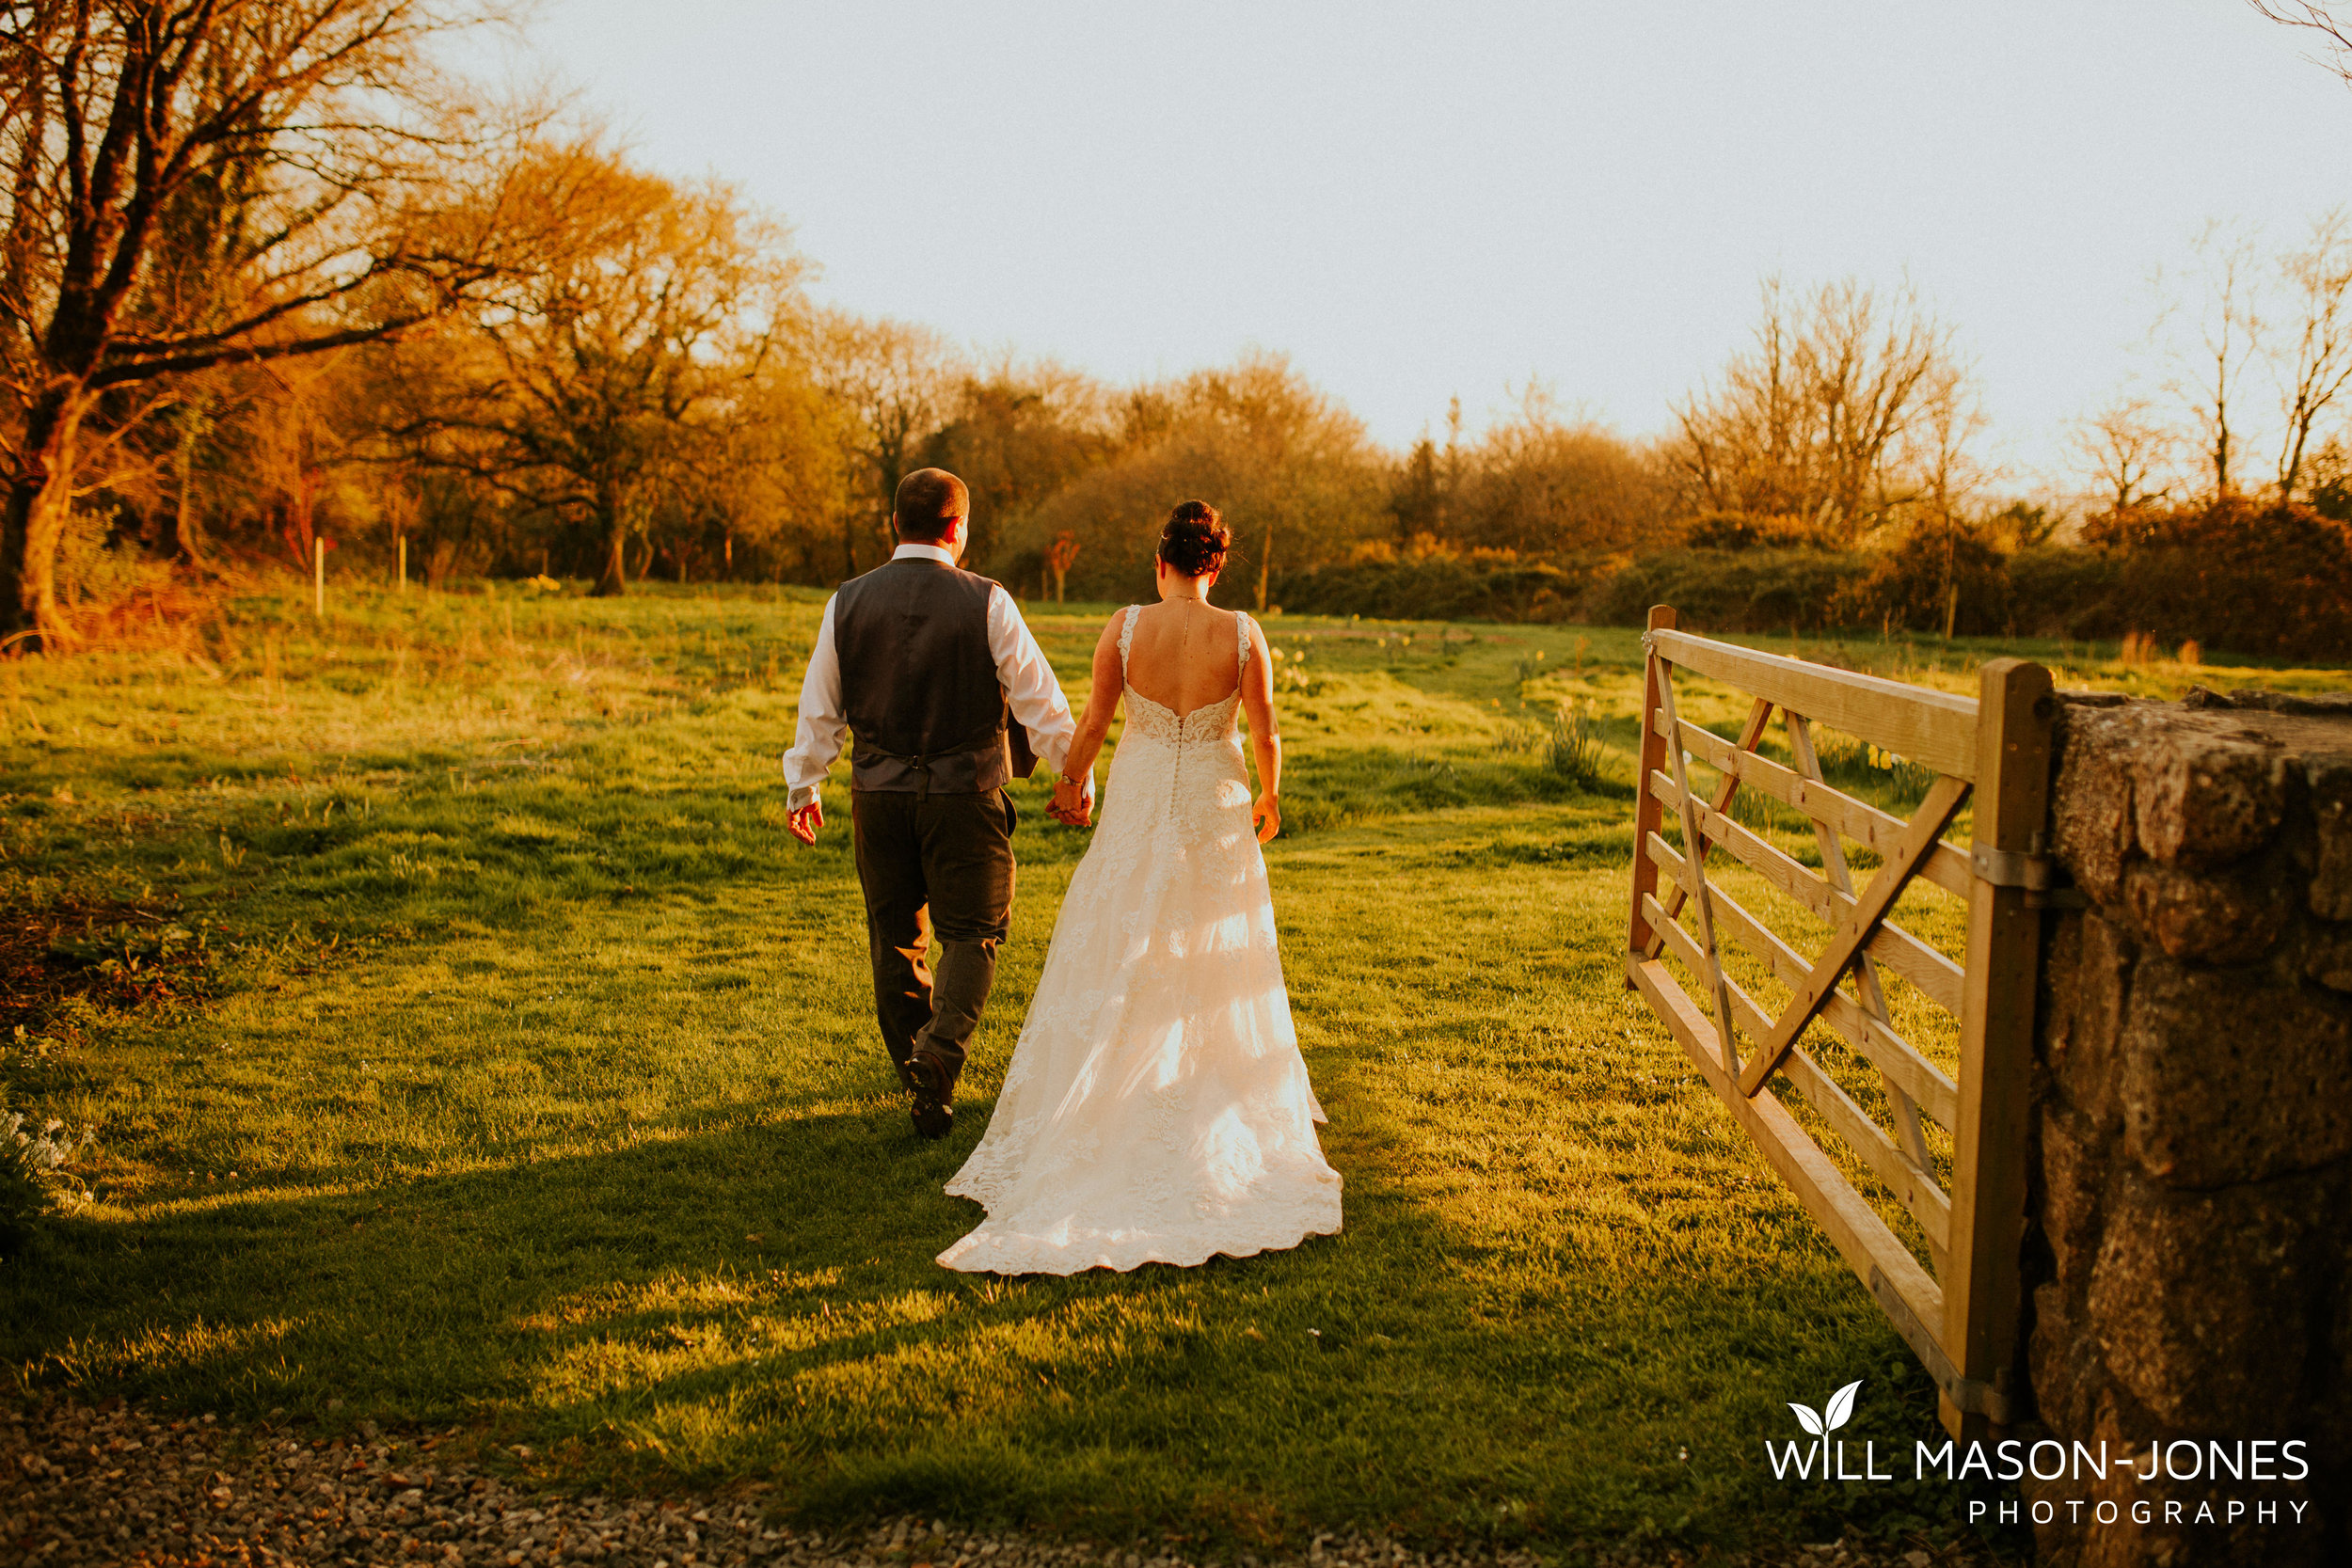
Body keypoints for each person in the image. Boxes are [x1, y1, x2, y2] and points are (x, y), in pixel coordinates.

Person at [937, 500, 1342, 1274]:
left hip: (1143, 792)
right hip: (1214, 802)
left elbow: (1092, 722)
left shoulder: (1125, 627)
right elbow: (1264, 730)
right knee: (1215, 941)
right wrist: (1271, 794)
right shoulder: (1244, 634)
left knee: (1121, 930)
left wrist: (1070, 784)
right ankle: (1201, 1090)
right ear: (1215, 566)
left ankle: (1110, 1093)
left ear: (1160, 561)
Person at [783, 468, 1091, 1140]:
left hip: (879, 796)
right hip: (964, 795)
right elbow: (1040, 700)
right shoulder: (988, 600)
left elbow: (821, 707)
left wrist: (805, 785)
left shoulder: (847, 600)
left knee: (894, 937)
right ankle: (937, 1057)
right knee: (973, 933)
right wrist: (1075, 774)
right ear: (959, 529)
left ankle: (921, 1080)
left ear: (896, 524)